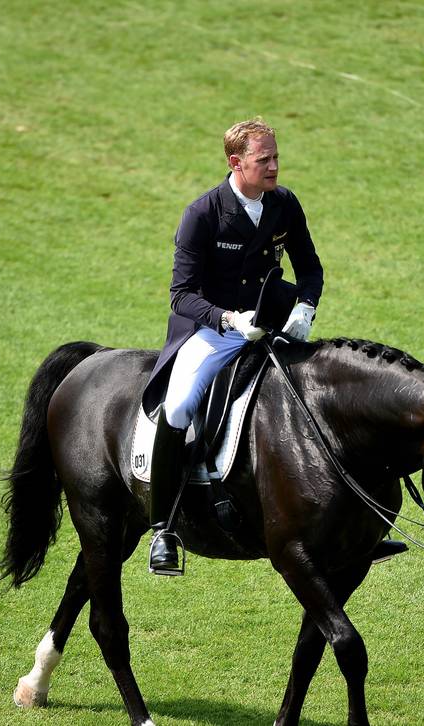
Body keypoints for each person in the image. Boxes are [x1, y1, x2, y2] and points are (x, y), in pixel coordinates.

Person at [141, 117, 323, 575]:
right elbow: (181, 295)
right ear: (235, 162)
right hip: (213, 332)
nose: (275, 166)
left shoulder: (284, 205)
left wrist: (305, 306)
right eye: (265, 159)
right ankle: (163, 529)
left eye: (277, 157)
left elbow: (310, 267)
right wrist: (225, 318)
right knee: (179, 405)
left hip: (272, 326)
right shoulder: (201, 214)